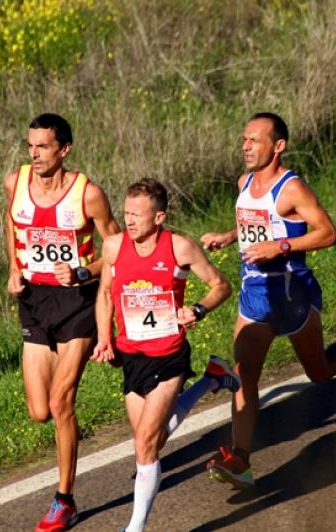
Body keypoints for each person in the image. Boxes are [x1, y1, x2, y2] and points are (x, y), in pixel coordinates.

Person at [199, 112, 336, 489]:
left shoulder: (292, 188)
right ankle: (240, 458)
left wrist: (280, 246)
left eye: (254, 140)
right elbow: (252, 223)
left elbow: (327, 233)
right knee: (244, 375)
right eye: (244, 139)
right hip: (255, 295)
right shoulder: (243, 182)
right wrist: (229, 237)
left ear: (278, 146)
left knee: (319, 372)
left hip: (293, 294)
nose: (245, 146)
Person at [92, 178, 238, 532]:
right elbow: (106, 294)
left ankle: (135, 528)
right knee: (151, 440)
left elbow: (221, 285)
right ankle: (212, 379)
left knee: (144, 443)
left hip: (169, 354)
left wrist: (199, 310)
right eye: (126, 212)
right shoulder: (113, 247)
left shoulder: (180, 248)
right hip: (132, 355)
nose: (129, 220)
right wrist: (104, 339)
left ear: (159, 217)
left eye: (137, 215)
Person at [4, 113, 120, 531]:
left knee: (60, 402)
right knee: (39, 411)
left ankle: (64, 499)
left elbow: (117, 248)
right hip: (34, 301)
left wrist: (85, 273)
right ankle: (67, 432)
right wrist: (13, 268)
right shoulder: (14, 183)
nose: (34, 154)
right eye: (30, 146)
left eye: (43, 147)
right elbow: (12, 224)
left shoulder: (87, 195)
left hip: (78, 303)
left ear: (64, 150)